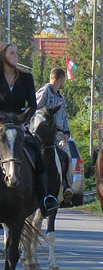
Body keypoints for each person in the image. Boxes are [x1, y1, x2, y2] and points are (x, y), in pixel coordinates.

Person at [0, 43, 59, 213]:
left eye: (17, 53)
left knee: (37, 153)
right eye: (12, 53)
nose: (16, 56)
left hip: (19, 124)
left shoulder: (26, 78)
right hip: (0, 125)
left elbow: (33, 105)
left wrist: (23, 118)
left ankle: (44, 197)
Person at [35, 67, 73, 202]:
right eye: (63, 81)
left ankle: (66, 185)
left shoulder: (60, 98)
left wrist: (67, 132)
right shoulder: (45, 91)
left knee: (67, 155)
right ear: (61, 79)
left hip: (59, 134)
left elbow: (64, 118)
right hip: (44, 132)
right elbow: (35, 107)